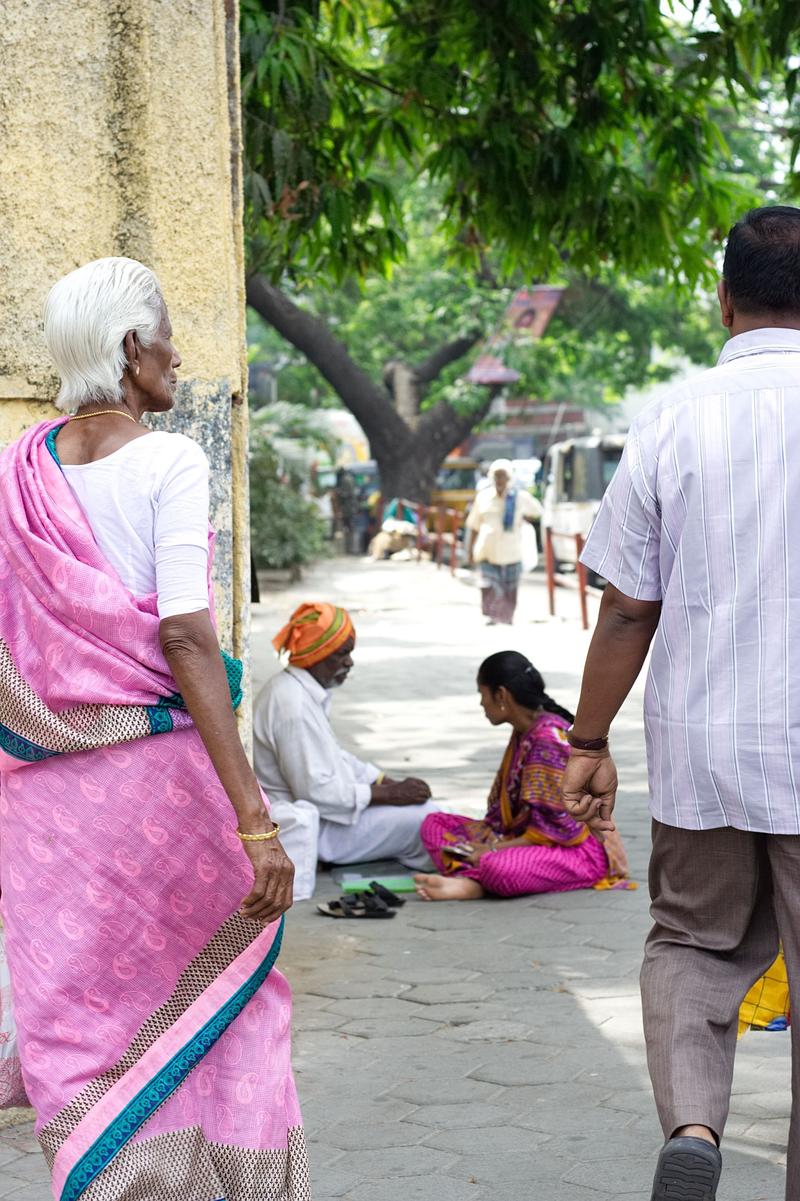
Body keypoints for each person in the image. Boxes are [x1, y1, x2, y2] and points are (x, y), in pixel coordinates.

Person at [0, 258, 308, 1198]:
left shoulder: (17, 471)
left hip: (43, 797)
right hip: (161, 788)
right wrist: (254, 818)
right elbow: (184, 631)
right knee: (234, 998)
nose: (178, 354)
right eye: (167, 335)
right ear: (133, 350)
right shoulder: (170, 459)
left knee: (81, 1017)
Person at [561, 206, 800, 1201]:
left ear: (721, 300)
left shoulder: (671, 427)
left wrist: (584, 740)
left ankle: (693, 1127)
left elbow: (624, 609)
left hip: (699, 752)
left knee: (692, 945)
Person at [253, 602, 439, 898]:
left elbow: (337, 757)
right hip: (323, 826)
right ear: (317, 654)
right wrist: (389, 795)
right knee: (429, 820)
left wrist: (382, 782)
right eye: (342, 653)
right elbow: (317, 792)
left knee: (427, 813)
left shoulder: (297, 692)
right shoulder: (294, 706)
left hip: (333, 811)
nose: (349, 663)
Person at [414, 652, 632, 901]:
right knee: (434, 824)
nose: (481, 703)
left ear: (501, 695)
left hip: (575, 853)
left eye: (481, 694)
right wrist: (489, 846)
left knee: (497, 867)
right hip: (520, 837)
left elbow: (553, 833)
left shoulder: (546, 740)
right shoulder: (525, 730)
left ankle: (472, 884)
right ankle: (476, 876)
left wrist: (491, 849)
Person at [466, 458, 541, 624]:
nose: (500, 480)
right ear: (492, 478)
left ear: (509, 479)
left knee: (510, 588)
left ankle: (507, 617)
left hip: (512, 551)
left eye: (503, 476)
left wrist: (523, 518)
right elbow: (473, 526)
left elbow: (537, 511)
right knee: (489, 585)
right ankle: (493, 616)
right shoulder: (483, 497)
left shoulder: (519, 497)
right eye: (497, 476)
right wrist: (470, 551)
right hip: (487, 550)